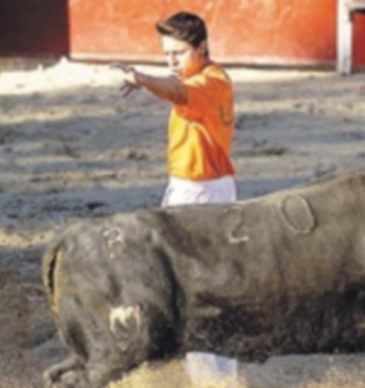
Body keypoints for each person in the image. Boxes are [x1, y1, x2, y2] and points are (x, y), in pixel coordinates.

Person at [112, 10, 239, 387]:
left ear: (201, 47)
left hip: (199, 194)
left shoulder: (206, 86)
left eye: (179, 53)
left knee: (194, 290)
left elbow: (180, 91)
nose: (171, 60)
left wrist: (144, 79)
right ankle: (222, 378)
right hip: (201, 189)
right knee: (208, 286)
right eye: (166, 53)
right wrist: (152, 80)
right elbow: (176, 83)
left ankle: (207, 380)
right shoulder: (211, 75)